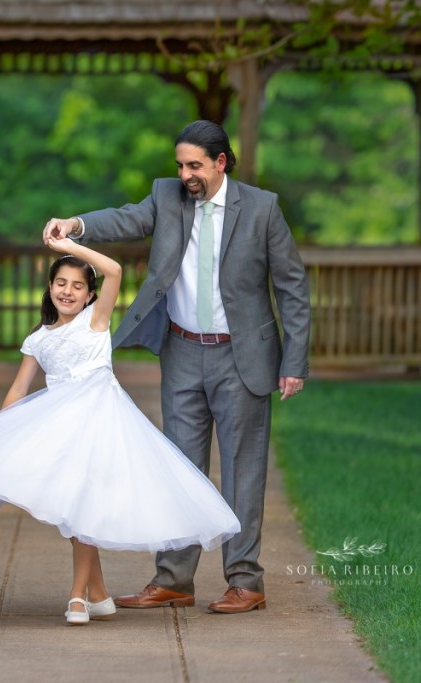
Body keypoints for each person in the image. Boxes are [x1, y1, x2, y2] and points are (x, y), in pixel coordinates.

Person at [0, 236, 240, 625]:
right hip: (61, 429)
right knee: (75, 510)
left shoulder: (95, 320)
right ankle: (98, 596)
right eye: (60, 283)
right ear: (50, 287)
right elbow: (18, 389)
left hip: (103, 423)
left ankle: (77, 598)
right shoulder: (38, 339)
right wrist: (0, 435)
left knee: (81, 507)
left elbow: (114, 270)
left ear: (90, 296)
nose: (67, 292)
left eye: (77, 286)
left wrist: (68, 246)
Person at [42, 120, 311, 614]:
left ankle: (245, 582)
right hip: (182, 351)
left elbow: (292, 286)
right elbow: (125, 219)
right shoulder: (167, 197)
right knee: (178, 470)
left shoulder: (262, 209)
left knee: (243, 471)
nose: (186, 174)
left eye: (195, 166)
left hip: (242, 358)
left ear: (220, 163)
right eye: (181, 165)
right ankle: (173, 580)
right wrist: (76, 225)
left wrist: (294, 361)